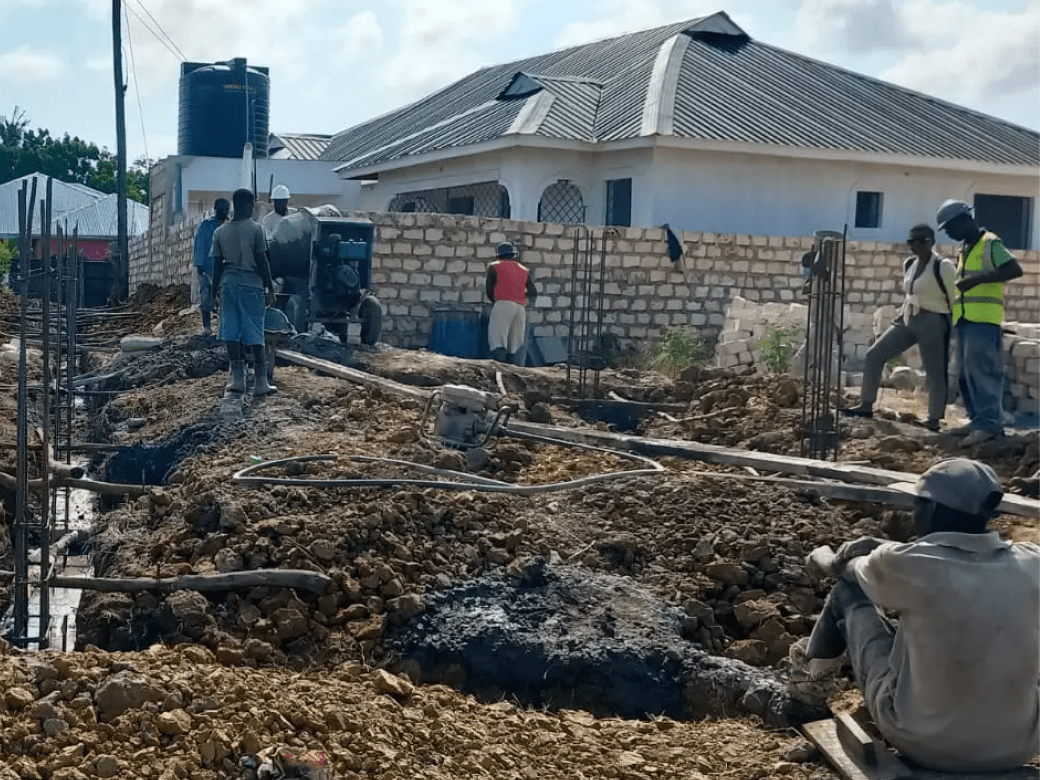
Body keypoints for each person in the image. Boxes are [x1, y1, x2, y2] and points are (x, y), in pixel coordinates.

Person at [804, 458, 1039, 772]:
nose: (913, 515)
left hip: (926, 744)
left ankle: (804, 693)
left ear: (933, 510)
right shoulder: (1031, 562)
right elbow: (954, 557)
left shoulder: (906, 564)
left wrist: (820, 554)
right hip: (1017, 746)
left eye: (917, 506)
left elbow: (841, 570)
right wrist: (887, 546)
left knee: (848, 593)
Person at [843, 225, 956, 431]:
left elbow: (955, 298)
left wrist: (955, 326)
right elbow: (909, 292)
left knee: (935, 372)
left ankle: (933, 418)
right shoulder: (910, 264)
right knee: (874, 355)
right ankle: (866, 404)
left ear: (930, 242)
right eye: (910, 242)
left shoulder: (943, 266)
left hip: (933, 319)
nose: (914, 246)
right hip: (908, 317)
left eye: (919, 241)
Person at [936, 199, 1023, 446]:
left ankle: (989, 425)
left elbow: (1014, 269)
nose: (949, 234)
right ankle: (976, 420)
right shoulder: (965, 247)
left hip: (984, 320)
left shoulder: (990, 243)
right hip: (965, 318)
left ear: (964, 220)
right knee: (965, 374)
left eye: (950, 227)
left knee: (983, 372)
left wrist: (977, 281)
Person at [212, 188, 277, 396]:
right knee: (255, 333)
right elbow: (262, 261)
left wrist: (214, 292)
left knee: (231, 331)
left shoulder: (220, 232)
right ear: (248, 205)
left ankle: (237, 379)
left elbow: (216, 266)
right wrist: (270, 287)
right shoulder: (256, 229)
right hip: (252, 286)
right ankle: (260, 382)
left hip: (229, 286)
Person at [485, 241, 537, 365]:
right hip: (520, 308)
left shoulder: (494, 267)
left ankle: (499, 369)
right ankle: (512, 371)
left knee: (498, 339)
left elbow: (489, 289)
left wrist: (496, 302)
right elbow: (533, 292)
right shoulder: (524, 270)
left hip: (502, 304)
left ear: (499, 255)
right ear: (513, 255)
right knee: (514, 344)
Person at [191, 198, 229, 336]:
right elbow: (200, 244)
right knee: (206, 297)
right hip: (207, 268)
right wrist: (199, 264)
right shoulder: (207, 225)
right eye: (221, 209)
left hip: (224, 270)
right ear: (215, 209)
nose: (224, 212)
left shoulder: (230, 225)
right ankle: (207, 327)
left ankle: (222, 328)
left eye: (226, 209)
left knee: (224, 299)